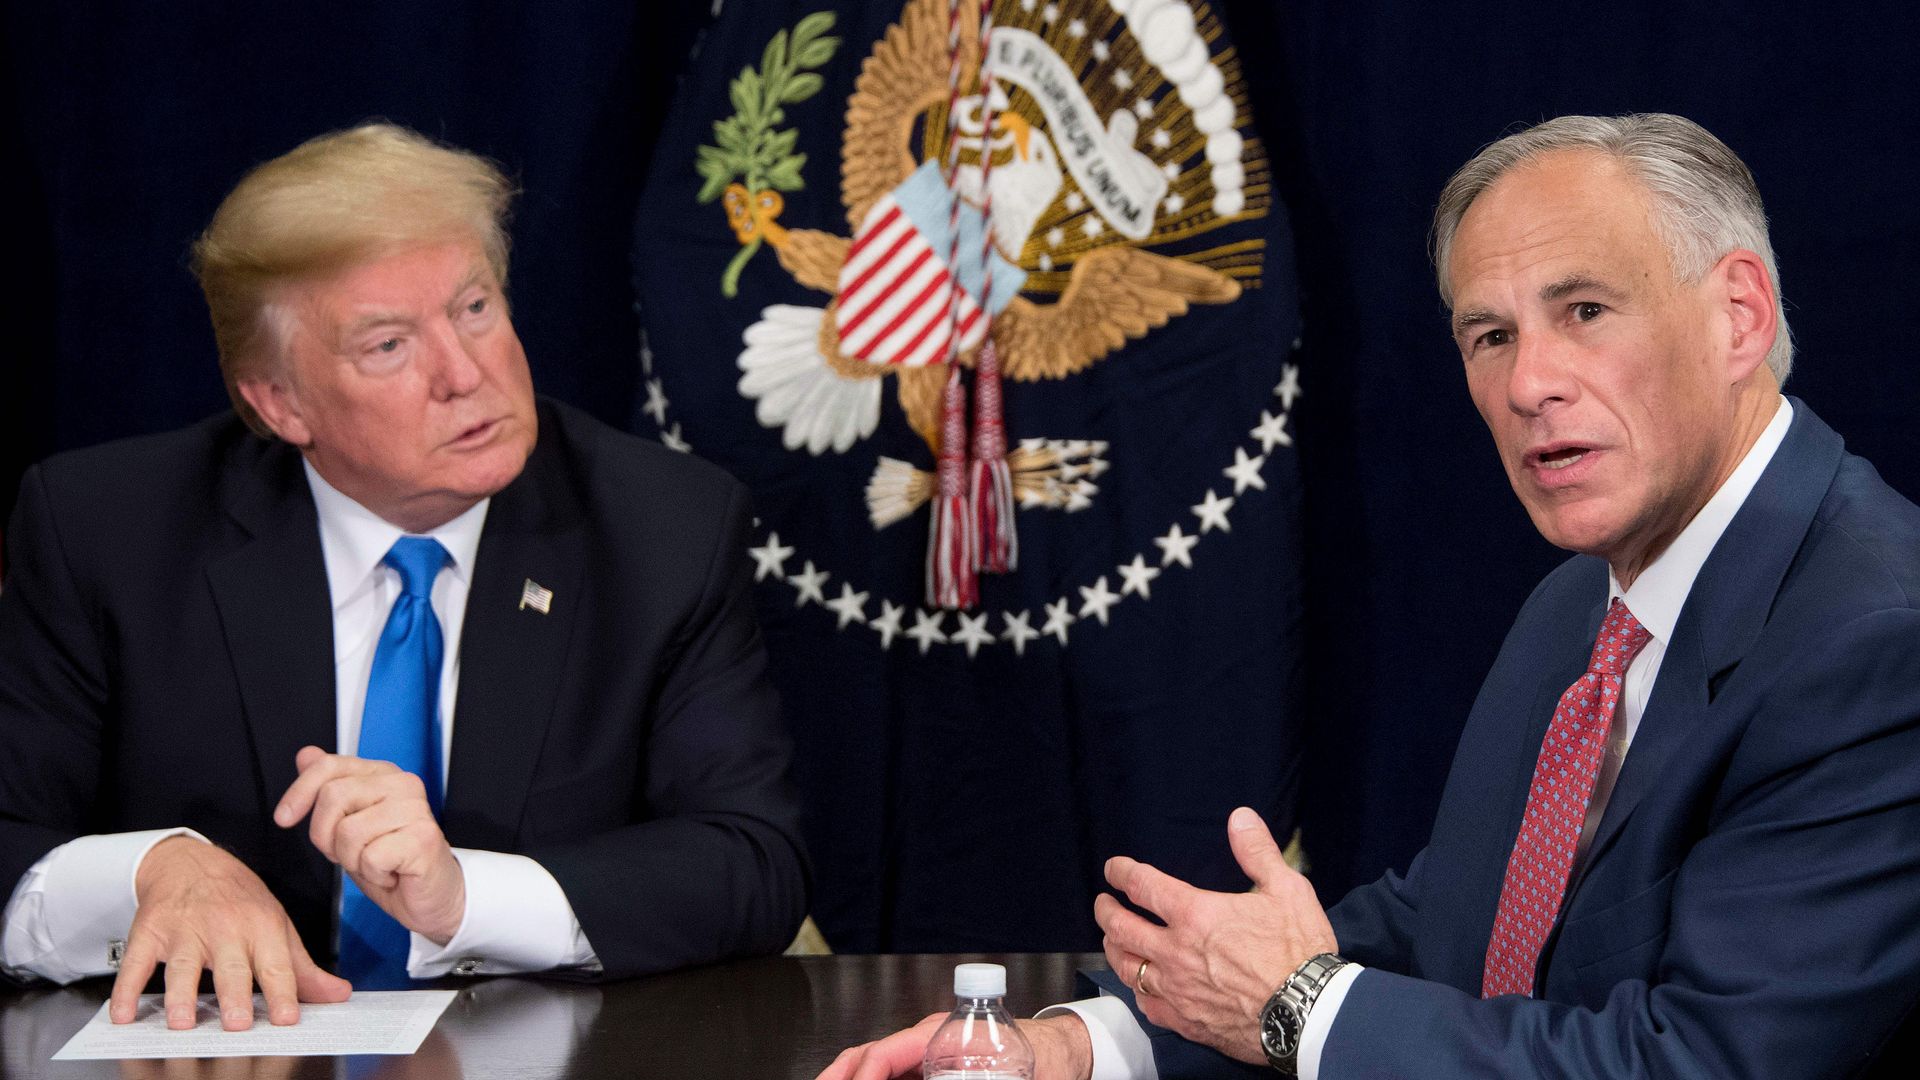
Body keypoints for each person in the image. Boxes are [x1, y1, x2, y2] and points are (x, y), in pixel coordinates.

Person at [820, 113, 1920, 1078]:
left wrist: (1295, 1007)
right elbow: (1454, 925)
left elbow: (1704, 1063)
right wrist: (1086, 1045)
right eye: (1489, 336)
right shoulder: (1584, 608)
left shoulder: (1877, 641)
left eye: (1584, 309)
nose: (1529, 383)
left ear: (1738, 314)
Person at [0, 123, 808, 1032]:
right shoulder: (108, 531)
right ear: (280, 401)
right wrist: (152, 871)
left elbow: (752, 861)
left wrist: (466, 899)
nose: (467, 374)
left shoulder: (663, 529)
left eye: (474, 309)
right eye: (389, 346)